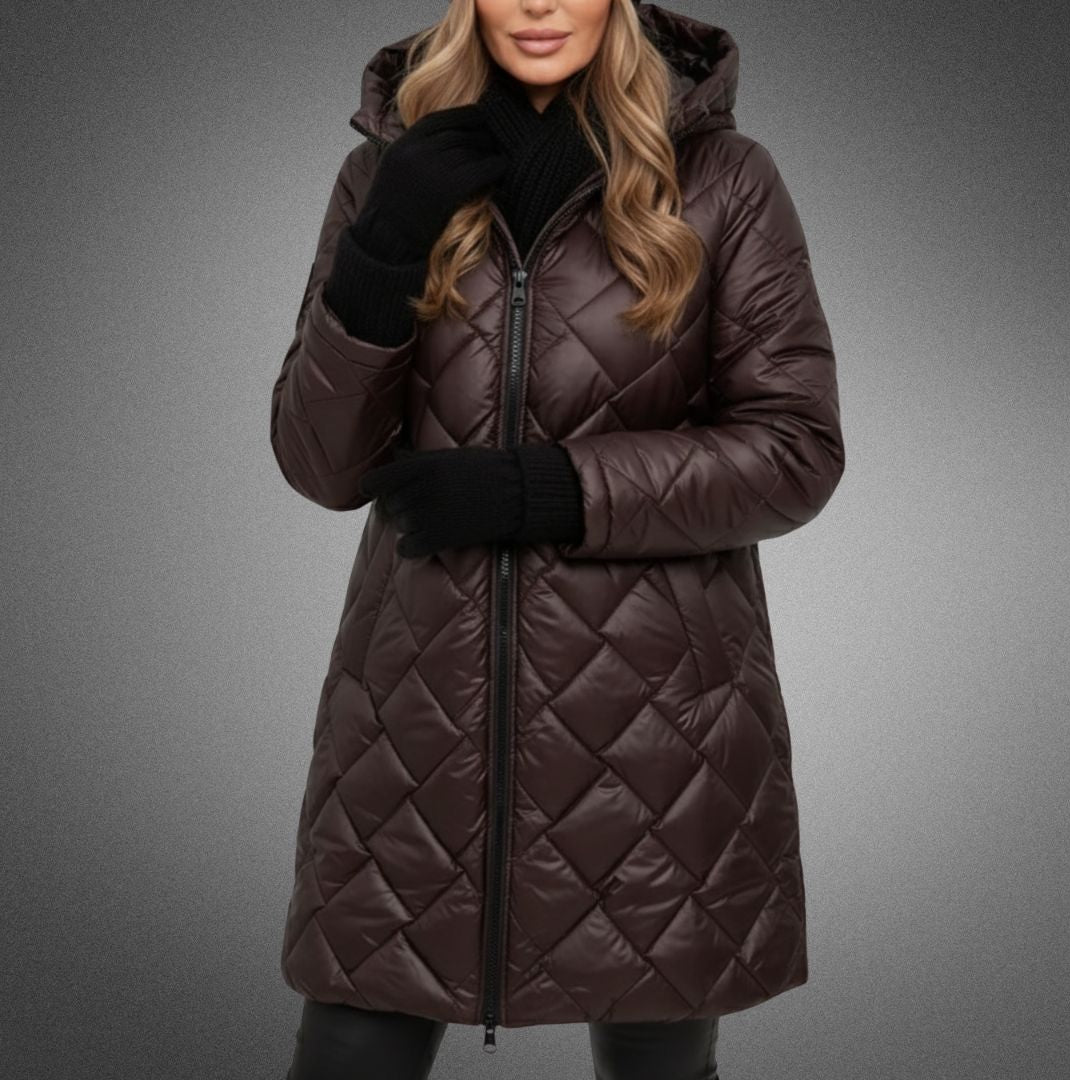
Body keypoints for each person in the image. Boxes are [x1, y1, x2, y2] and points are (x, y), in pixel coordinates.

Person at [269, 2, 845, 1078]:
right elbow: (321, 465)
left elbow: (794, 449)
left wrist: (549, 490)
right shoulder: (385, 174)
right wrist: (384, 246)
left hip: (659, 749)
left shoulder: (726, 180)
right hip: (409, 735)